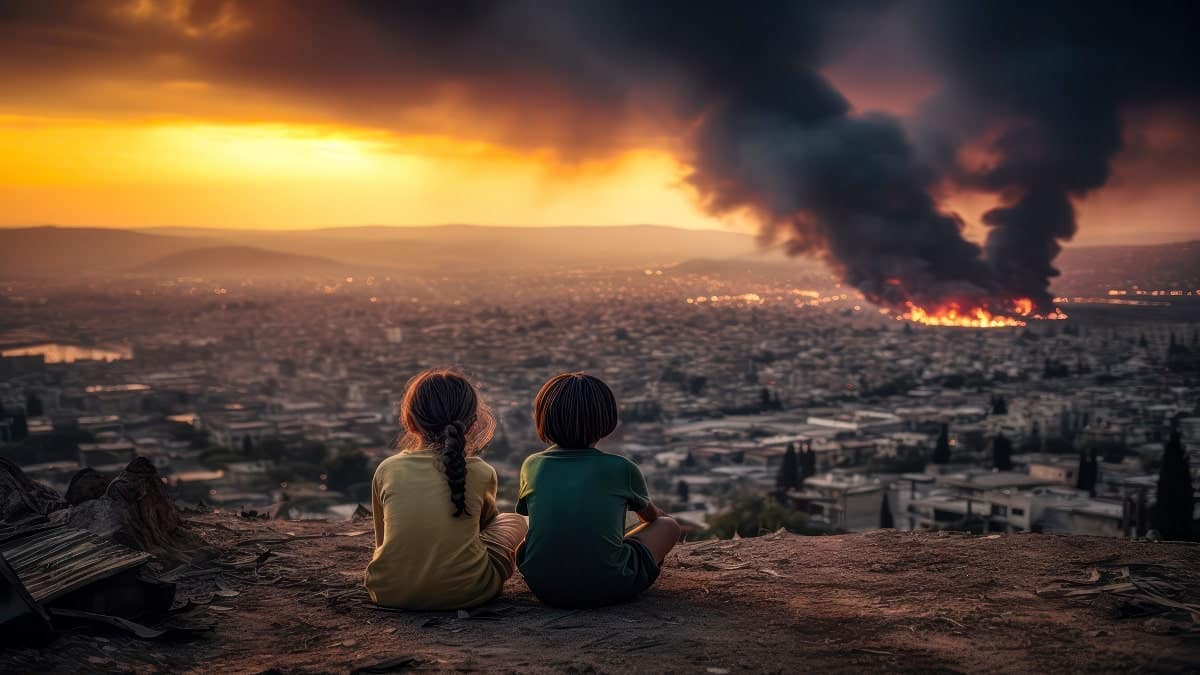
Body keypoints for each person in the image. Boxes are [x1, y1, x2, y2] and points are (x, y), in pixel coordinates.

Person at [364, 368, 527, 610]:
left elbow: (383, 541)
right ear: (472, 423)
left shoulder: (387, 469)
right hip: (469, 591)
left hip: (388, 591)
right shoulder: (481, 472)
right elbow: (482, 529)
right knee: (515, 520)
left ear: (410, 422)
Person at [516, 372, 680, 608]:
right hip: (610, 586)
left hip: (544, 587)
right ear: (606, 420)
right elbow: (652, 518)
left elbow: (533, 515)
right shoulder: (621, 467)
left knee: (524, 535)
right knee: (669, 526)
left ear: (543, 419)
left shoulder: (532, 465)